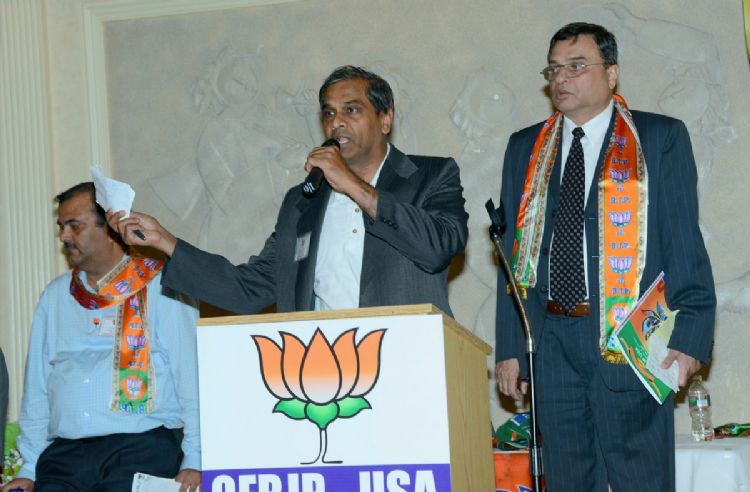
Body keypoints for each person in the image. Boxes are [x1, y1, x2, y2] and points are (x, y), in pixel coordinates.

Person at [494, 23, 715, 491]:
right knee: (568, 481)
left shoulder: (659, 137)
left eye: (576, 66)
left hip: (629, 336)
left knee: (642, 480)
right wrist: (512, 348)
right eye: (554, 69)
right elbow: (513, 260)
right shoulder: (525, 148)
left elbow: (683, 242)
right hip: (551, 341)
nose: (561, 78)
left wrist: (692, 335)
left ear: (611, 74)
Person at [109, 65, 468, 317]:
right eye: (328, 113)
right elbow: (250, 289)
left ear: (385, 118)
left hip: (410, 365)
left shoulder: (432, 176)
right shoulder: (303, 201)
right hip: (323, 370)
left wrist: (352, 185)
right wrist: (167, 242)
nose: (336, 122)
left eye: (351, 110)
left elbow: (438, 249)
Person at [2, 183, 201, 492]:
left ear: (111, 229)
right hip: (64, 456)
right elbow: (37, 389)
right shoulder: (55, 296)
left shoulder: (163, 287)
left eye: (74, 226)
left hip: (142, 449)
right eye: (61, 226)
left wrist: (195, 459)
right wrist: (29, 468)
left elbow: (192, 378)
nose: (64, 236)